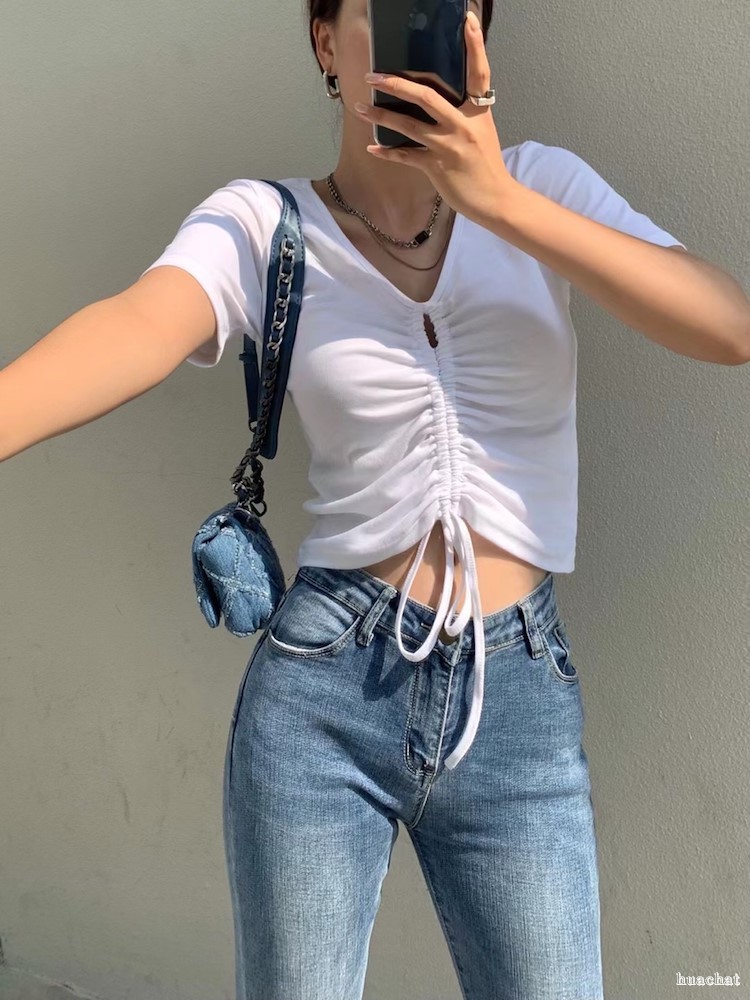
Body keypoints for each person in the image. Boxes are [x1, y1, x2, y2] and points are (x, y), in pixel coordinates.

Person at [3, 1, 749, 998]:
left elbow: (726, 324)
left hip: (519, 697)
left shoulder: (543, 185)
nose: (418, 27)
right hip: (325, 691)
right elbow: (138, 325)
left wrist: (499, 203)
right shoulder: (264, 224)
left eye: (447, 6)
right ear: (326, 40)